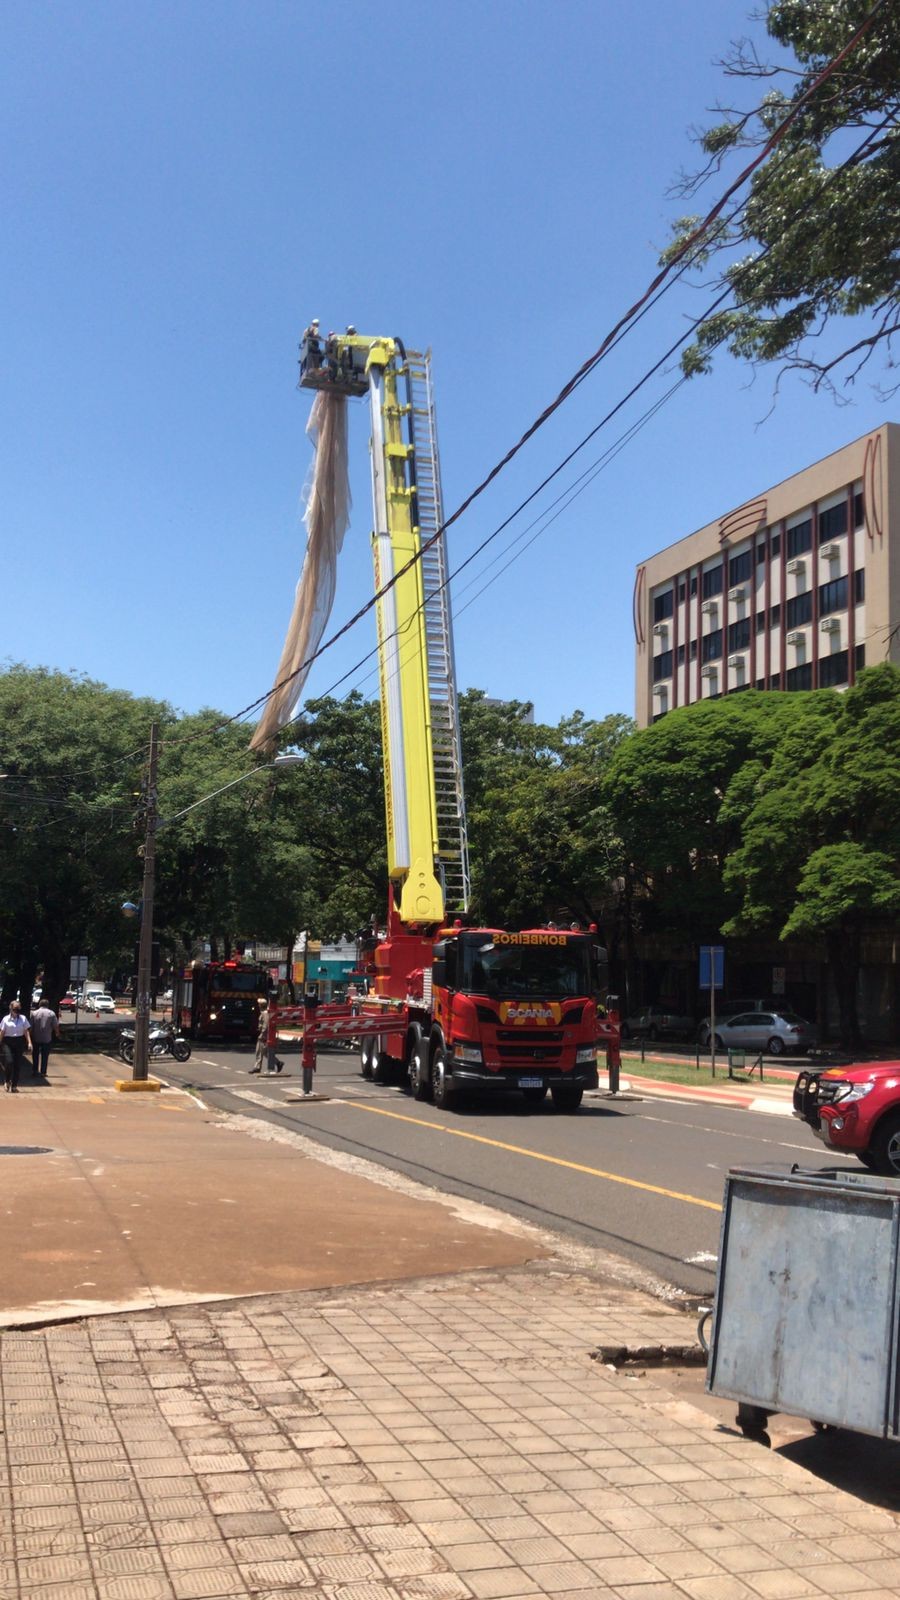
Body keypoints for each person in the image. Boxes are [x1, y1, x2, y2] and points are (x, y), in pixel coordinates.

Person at [0, 1000, 32, 1093]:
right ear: (11, 1008)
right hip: (7, 1042)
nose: (16, 1010)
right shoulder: (5, 1019)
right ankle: (7, 1080)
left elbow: (26, 1031)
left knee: (17, 1065)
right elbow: (2, 1032)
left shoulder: (23, 1018)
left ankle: (14, 1085)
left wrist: (29, 1042)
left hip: (19, 1042)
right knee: (9, 1062)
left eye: (18, 1009)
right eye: (15, 1009)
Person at [30, 995, 60, 1078]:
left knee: (35, 1055)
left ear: (39, 1004)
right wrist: (57, 1033)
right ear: (48, 1005)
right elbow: (55, 1025)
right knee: (45, 1055)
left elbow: (30, 1026)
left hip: (36, 1037)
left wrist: (29, 1037)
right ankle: (43, 1072)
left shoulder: (34, 1013)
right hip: (47, 1038)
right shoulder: (51, 1013)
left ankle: (35, 1071)